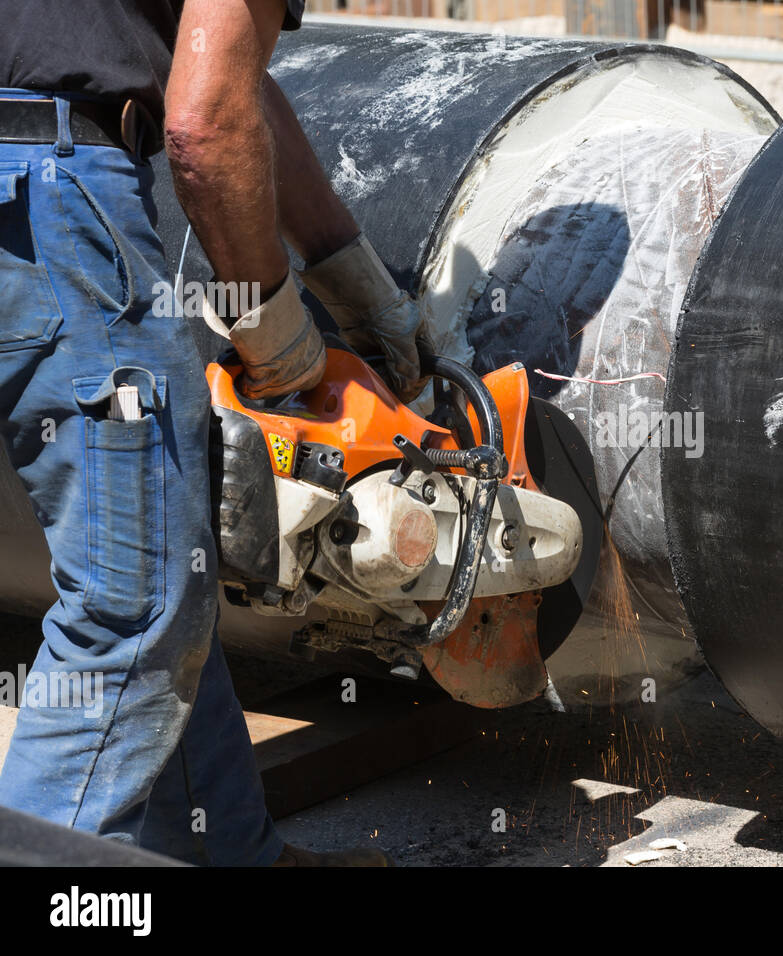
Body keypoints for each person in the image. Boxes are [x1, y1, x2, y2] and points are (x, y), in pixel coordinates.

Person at [0, 0, 429, 865]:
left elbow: (241, 88)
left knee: (161, 538)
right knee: (135, 600)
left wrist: (354, 280)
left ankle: (225, 853)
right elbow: (202, 122)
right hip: (55, 186)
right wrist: (273, 323)